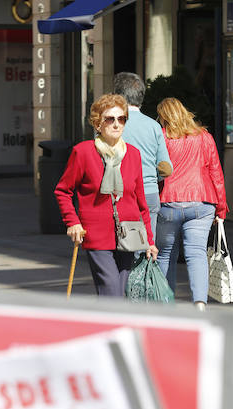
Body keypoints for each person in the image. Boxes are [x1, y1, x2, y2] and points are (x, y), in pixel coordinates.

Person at [54, 93, 157, 297]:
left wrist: (149, 240)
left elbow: (140, 202)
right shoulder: (83, 152)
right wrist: (72, 222)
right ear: (97, 123)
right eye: (110, 119)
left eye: (121, 119)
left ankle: (111, 327)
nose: (116, 124)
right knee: (111, 290)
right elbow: (63, 190)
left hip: (129, 233)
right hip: (96, 233)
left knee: (119, 293)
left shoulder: (133, 154)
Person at [155, 97, 228, 310]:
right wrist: (221, 207)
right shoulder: (204, 137)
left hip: (169, 201)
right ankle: (199, 304)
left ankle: (166, 304)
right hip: (202, 201)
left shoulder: (162, 138)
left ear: (164, 117)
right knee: (196, 253)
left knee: (166, 254)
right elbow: (216, 173)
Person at [113, 72, 172, 245]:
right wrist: (152, 179)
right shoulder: (154, 126)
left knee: (122, 250)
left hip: (119, 193)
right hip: (149, 192)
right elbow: (165, 167)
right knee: (146, 247)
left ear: (118, 96)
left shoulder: (110, 124)